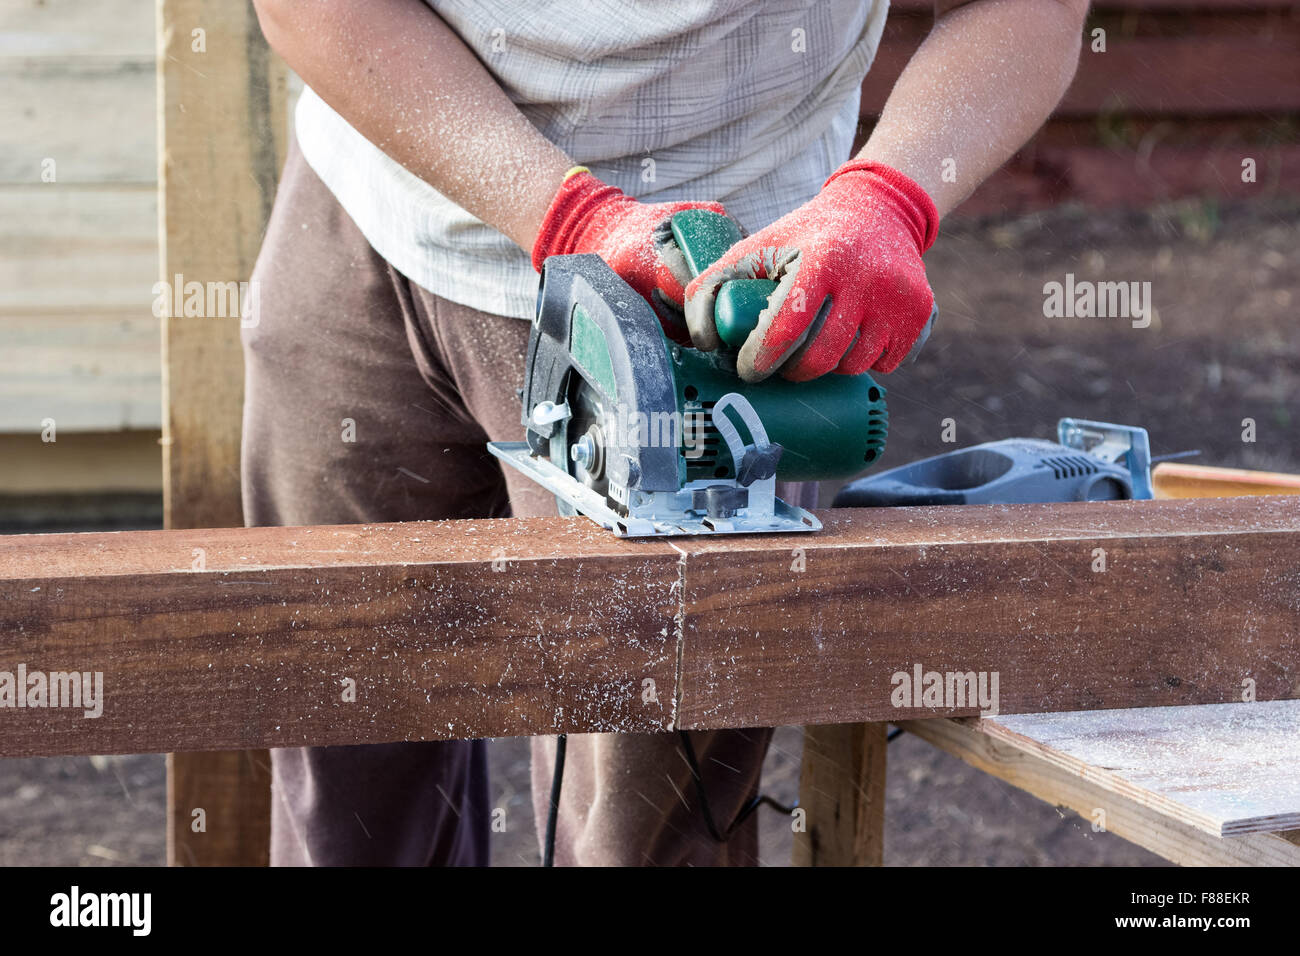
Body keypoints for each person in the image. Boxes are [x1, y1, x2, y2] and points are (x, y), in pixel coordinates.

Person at [245, 0, 1089, 865]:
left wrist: (892, 197)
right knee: (341, 754)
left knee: (637, 830)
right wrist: (569, 218)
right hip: (380, 177)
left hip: (712, 284)